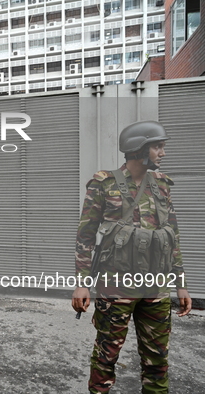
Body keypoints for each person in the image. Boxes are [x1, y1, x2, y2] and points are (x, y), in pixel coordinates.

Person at [71, 121, 192, 394]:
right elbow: (85, 237)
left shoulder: (162, 185)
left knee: (157, 359)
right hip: (115, 287)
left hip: (156, 287)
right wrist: (82, 283)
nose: (163, 153)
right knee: (106, 355)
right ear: (139, 149)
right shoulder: (104, 184)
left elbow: (172, 234)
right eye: (157, 147)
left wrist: (180, 282)